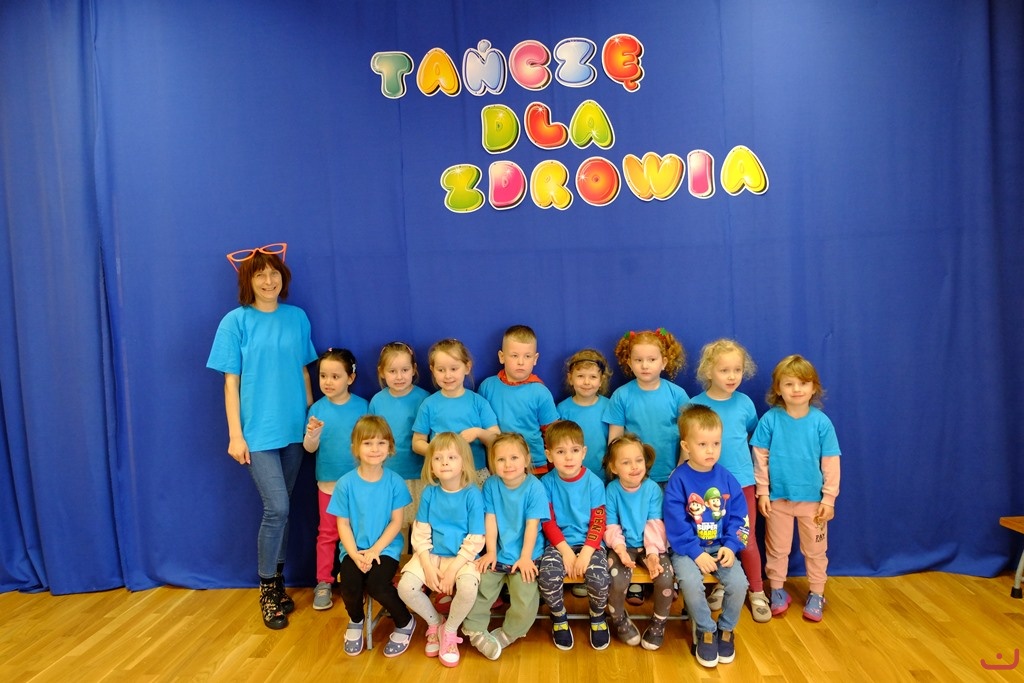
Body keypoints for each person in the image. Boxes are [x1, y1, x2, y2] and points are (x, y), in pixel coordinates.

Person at [206, 242, 316, 630]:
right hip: (257, 432)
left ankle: (279, 584)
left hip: (294, 430)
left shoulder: (297, 317)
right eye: (259, 275)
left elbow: (303, 371)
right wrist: (236, 435)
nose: (268, 281)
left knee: (284, 510)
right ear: (247, 282)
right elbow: (230, 383)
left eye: (273, 274)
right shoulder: (235, 322)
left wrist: (311, 416)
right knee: (278, 509)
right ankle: (267, 590)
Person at [750, 354, 841, 622]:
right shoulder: (770, 420)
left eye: (803, 383)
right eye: (789, 384)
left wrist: (829, 498)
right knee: (777, 549)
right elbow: (760, 457)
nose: (797, 389)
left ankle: (817, 593)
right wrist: (763, 492)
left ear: (814, 388)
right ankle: (777, 590)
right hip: (778, 499)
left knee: (815, 550)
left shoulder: (821, 423)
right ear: (778, 389)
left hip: (813, 502)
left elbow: (831, 462)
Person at [687, 339, 770, 622]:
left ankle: (756, 590)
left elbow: (753, 437)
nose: (732, 376)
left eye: (737, 370)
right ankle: (723, 585)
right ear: (708, 371)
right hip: (706, 486)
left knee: (744, 537)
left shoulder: (745, 403)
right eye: (724, 370)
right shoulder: (695, 405)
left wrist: (760, 481)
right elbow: (685, 445)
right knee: (713, 537)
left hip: (743, 483)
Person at [665, 404, 750, 669]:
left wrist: (732, 546)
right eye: (702, 444)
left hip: (721, 547)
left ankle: (726, 628)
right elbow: (675, 524)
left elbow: (740, 516)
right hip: (687, 551)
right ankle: (705, 629)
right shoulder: (678, 479)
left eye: (716, 443)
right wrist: (695, 552)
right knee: (691, 584)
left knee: (740, 584)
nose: (710, 450)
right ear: (686, 446)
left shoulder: (727, 478)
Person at [328, 416, 415, 657]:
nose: (375, 449)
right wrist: (355, 554)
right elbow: (343, 524)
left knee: (377, 585)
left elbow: (396, 522)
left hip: (385, 549)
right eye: (367, 443)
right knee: (349, 584)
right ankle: (356, 620)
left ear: (390, 447)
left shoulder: (395, 482)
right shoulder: (345, 484)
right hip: (353, 549)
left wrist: (376, 550)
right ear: (355, 447)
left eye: (381, 443)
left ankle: (405, 621)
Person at [397, 433, 485, 668]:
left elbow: (476, 539)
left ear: (464, 463)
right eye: (438, 458)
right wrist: (427, 566)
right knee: (406, 587)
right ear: (432, 466)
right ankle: (436, 623)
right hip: (431, 555)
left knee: (467, 588)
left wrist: (452, 571)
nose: (445, 462)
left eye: (452, 457)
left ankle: (450, 631)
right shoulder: (430, 492)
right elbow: (421, 533)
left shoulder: (472, 494)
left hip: (462, 558)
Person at [462, 433, 549, 660]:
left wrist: (525, 557)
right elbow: (490, 520)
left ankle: (509, 633)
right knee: (482, 587)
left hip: (527, 554)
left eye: (514, 458)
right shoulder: (491, 485)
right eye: (501, 459)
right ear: (492, 463)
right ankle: (475, 629)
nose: (508, 464)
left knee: (525, 597)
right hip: (499, 552)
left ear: (526, 459)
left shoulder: (535, 488)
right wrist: (491, 551)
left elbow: (532, 526)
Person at [303, 348, 368, 610]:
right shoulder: (317, 409)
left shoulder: (363, 407)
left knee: (360, 533)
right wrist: (313, 434)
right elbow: (309, 449)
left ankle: (359, 579)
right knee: (328, 534)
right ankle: (323, 582)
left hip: (360, 485)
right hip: (328, 485)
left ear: (350, 378)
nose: (328, 382)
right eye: (323, 376)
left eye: (335, 376)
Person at [537, 420, 611, 651]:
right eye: (560, 452)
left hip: (591, 544)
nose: (568, 457)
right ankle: (559, 618)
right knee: (547, 576)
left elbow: (598, 521)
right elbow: (548, 522)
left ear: (583, 452)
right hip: (558, 545)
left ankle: (597, 616)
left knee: (600, 579)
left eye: (574, 450)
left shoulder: (594, 483)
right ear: (549, 455)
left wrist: (586, 552)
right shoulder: (545, 483)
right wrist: (566, 552)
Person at [602, 433, 674, 650]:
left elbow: (655, 523)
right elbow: (611, 524)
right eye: (626, 462)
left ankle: (658, 625)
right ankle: (620, 621)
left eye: (638, 460)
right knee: (616, 581)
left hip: (652, 546)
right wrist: (621, 550)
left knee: (665, 578)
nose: (634, 467)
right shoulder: (612, 490)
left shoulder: (652, 489)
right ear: (614, 468)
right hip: (622, 546)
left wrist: (652, 555)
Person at [604, 328, 690, 485]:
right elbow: (615, 441)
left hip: (671, 475)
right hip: (633, 478)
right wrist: (621, 472)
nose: (645, 365)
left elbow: (689, 436)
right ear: (629, 363)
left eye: (652, 360)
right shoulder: (621, 395)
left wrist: (682, 467)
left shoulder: (677, 395)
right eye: (638, 360)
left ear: (664, 362)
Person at [368, 341, 430, 546]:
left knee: (422, 527)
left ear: (414, 369)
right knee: (397, 527)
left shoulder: (424, 399)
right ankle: (398, 563)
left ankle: (421, 564)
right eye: (392, 371)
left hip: (421, 473)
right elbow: (371, 437)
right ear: (382, 372)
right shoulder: (377, 401)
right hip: (390, 474)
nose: (399, 376)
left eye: (405, 370)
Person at [412, 338, 499, 482]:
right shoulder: (429, 404)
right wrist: (438, 452)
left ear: (467, 367)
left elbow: (496, 439)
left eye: (454, 369)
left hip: (475, 473)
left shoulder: (479, 402)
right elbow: (417, 443)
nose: (448, 375)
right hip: (442, 474)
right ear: (432, 370)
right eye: (441, 370)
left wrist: (478, 432)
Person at [479, 325, 560, 475]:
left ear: (535, 359)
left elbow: (553, 434)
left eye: (527, 356)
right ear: (502, 357)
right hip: (500, 466)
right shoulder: (487, 387)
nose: (521, 362)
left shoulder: (540, 392)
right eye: (514, 356)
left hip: (535, 467)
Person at [556, 348, 613, 482]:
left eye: (593, 377)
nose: (586, 382)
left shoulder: (609, 406)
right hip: (572, 475)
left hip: (603, 476)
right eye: (580, 376)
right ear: (570, 378)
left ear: (601, 380)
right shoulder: (563, 409)